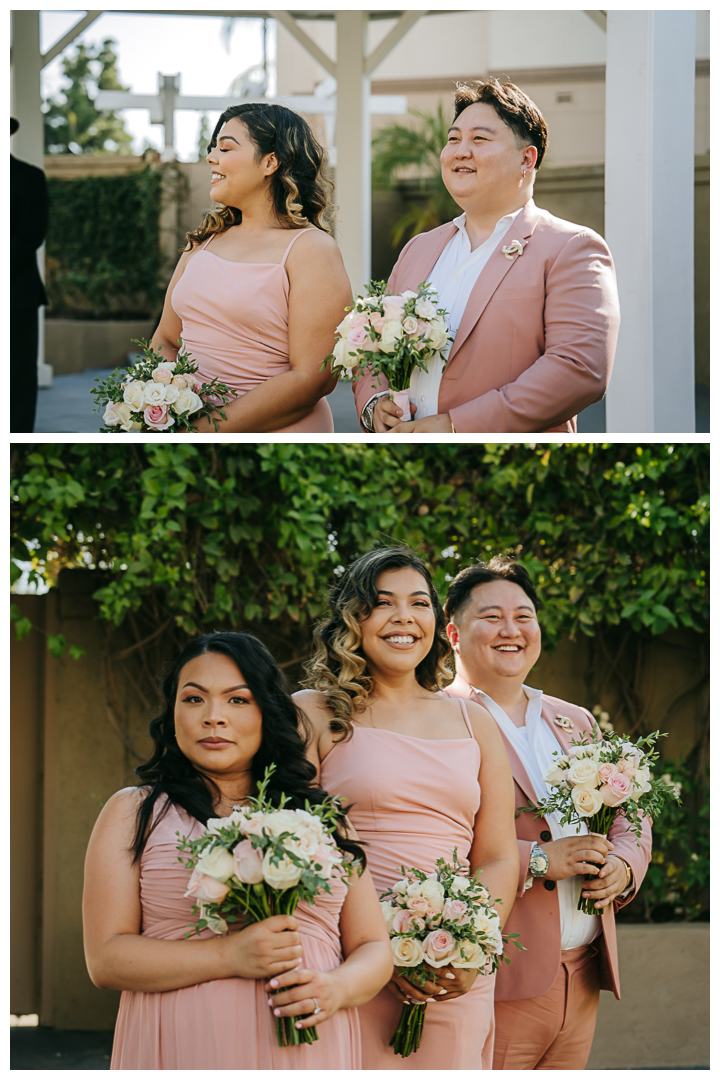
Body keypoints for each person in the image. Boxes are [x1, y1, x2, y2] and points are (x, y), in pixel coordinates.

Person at [83, 632, 392, 1070]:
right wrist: (229, 955)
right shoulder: (134, 812)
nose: (213, 718)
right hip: (181, 1050)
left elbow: (373, 947)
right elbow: (105, 959)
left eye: (237, 700)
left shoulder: (321, 818)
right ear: (172, 715)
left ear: (267, 711)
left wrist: (336, 988)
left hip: (306, 1052)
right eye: (193, 700)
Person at [296, 548, 519, 1070]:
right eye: (382, 603)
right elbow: (298, 839)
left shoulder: (475, 723)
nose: (404, 617)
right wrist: (378, 948)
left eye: (419, 603)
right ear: (354, 619)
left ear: (436, 624)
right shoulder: (314, 712)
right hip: (347, 963)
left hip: (451, 971)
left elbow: (498, 857)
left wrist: (470, 944)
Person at [441, 557, 652, 1070]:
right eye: (491, 617)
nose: (511, 630)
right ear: (452, 632)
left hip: (584, 975)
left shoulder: (573, 719)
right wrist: (534, 859)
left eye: (524, 615)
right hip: (499, 978)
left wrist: (624, 864)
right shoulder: (439, 724)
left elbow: (632, 811)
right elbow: (425, 846)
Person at [355, 79, 620, 434]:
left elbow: (578, 369)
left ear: (527, 158)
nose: (460, 151)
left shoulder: (572, 249)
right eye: (453, 139)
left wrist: (455, 426)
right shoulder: (418, 249)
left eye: (479, 139)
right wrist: (375, 404)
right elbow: (371, 340)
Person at [151, 103, 351, 432]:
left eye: (226, 147)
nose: (211, 157)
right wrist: (163, 406)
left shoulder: (310, 250)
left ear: (271, 162)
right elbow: (165, 339)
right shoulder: (204, 242)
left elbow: (313, 379)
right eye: (212, 147)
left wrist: (205, 431)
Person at [11, 117, 49, 433]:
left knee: (18, 375)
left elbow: (30, 236)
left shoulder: (29, 177)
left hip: (15, 295)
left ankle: (18, 446)